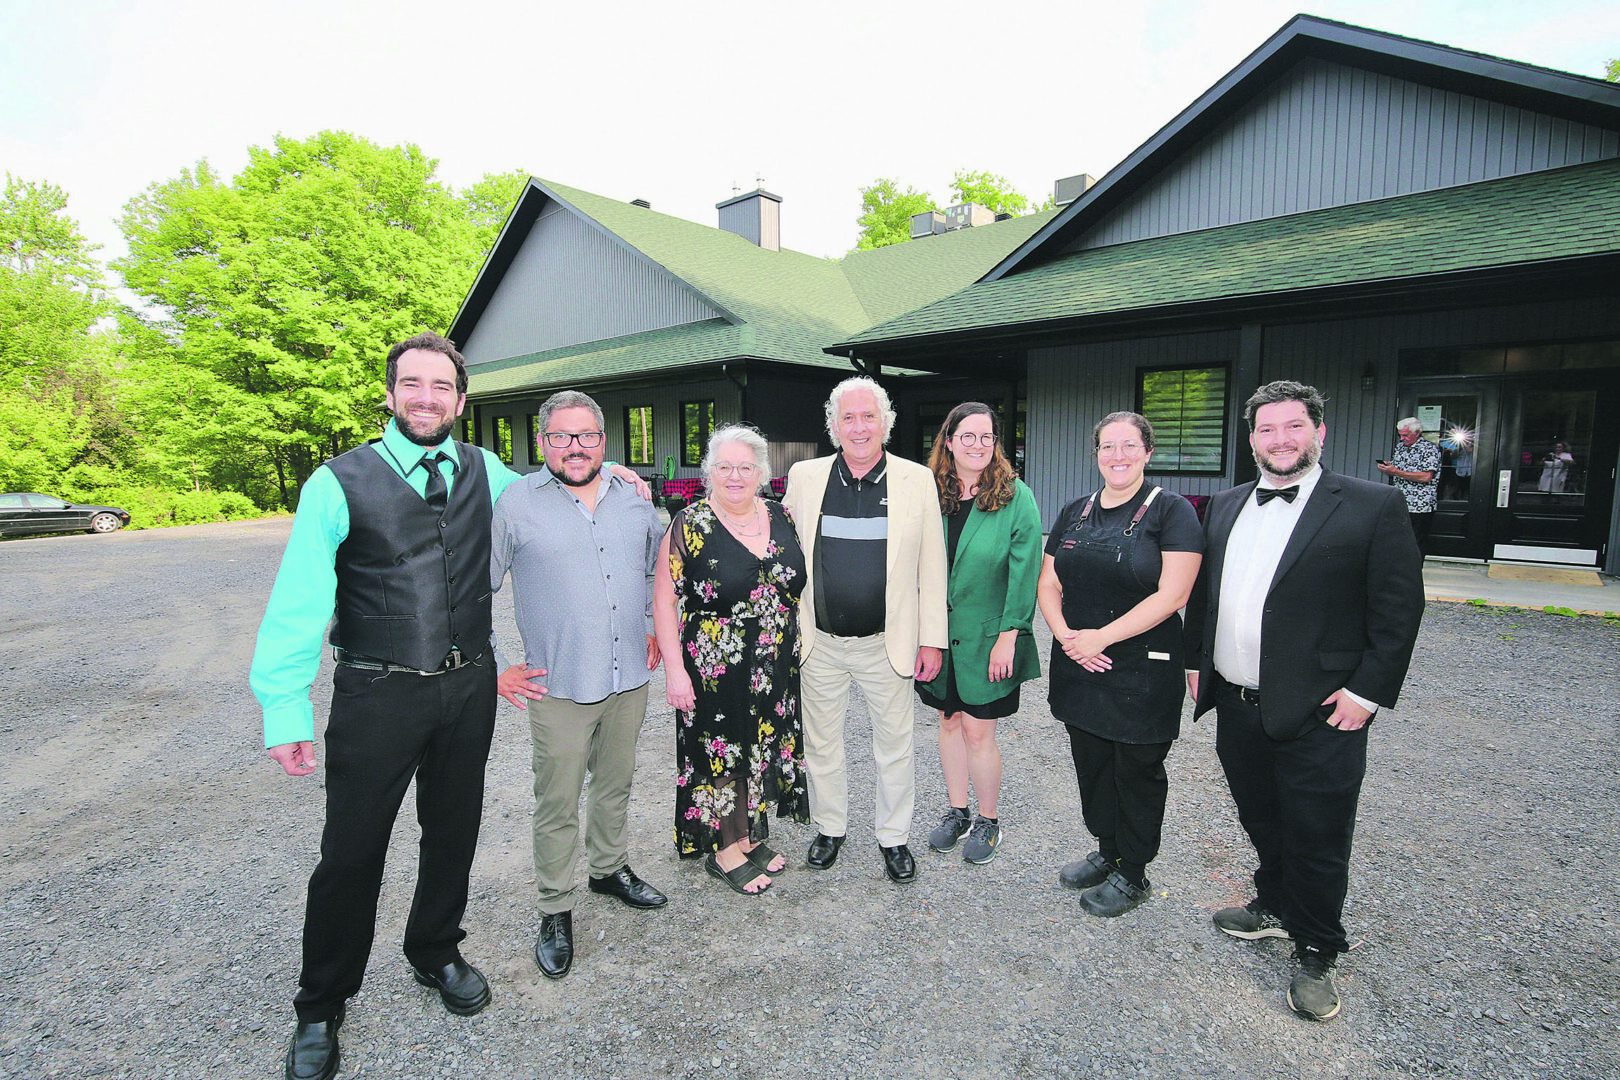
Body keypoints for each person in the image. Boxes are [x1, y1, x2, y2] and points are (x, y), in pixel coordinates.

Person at [251, 333, 503, 1080]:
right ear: (390, 394)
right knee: (351, 853)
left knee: (452, 831)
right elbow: (298, 604)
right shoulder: (338, 482)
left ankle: (435, 951)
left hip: (469, 686)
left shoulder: (488, 470)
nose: (427, 398)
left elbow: (557, 501)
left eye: (442, 387)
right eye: (412, 385)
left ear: (461, 400)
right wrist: (285, 709)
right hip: (377, 692)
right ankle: (322, 1004)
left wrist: (611, 476)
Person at [1185, 380, 1424, 1022]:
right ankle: (1276, 903)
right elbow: (1207, 595)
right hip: (1237, 702)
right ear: (1252, 438)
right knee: (1261, 816)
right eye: (1267, 429)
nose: (1280, 439)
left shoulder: (1373, 505)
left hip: (1325, 711)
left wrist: (1368, 692)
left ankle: (1318, 946)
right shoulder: (1227, 504)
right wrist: (1194, 665)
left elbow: (1399, 608)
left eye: (1294, 427)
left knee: (1318, 833)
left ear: (1321, 432)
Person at [490, 390, 668, 981]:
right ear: (542, 442)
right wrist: (495, 665)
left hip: (628, 677)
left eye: (587, 436)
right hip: (557, 683)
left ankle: (608, 868)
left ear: (603, 440)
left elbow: (656, 574)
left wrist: (652, 628)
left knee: (616, 782)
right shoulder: (515, 504)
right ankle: (555, 909)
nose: (575, 447)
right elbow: (472, 588)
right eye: (562, 436)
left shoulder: (636, 501)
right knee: (558, 800)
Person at [781, 376, 948, 884]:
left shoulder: (916, 479)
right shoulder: (804, 477)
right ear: (833, 425)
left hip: (887, 645)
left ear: (885, 423)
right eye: (848, 417)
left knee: (894, 746)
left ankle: (893, 837)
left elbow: (931, 566)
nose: (858, 426)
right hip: (820, 644)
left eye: (868, 416)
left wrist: (932, 638)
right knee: (823, 743)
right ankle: (830, 828)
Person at [1037, 411, 1202, 917]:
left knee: (1136, 770)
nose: (1118, 456)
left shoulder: (1171, 512)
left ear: (1148, 453)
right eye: (1108, 446)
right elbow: (1048, 582)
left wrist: (1100, 638)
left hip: (1141, 668)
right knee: (1092, 764)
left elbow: (1174, 593)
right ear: (1096, 454)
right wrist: (1066, 636)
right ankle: (1106, 849)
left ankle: (1133, 870)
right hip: (1078, 662)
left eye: (1129, 446)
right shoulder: (1074, 511)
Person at [652, 424, 811, 894]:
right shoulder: (690, 523)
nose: (735, 476)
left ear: (761, 472)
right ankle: (723, 851)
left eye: (745, 467)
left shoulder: (780, 516)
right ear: (709, 473)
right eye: (725, 467)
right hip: (713, 667)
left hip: (773, 665)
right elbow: (664, 599)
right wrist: (675, 671)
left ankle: (745, 834)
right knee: (720, 752)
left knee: (756, 747)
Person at [916, 403, 1041, 866]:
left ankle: (988, 819)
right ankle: (957, 811)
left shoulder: (1015, 497)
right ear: (948, 441)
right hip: (938, 636)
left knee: (977, 730)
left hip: (989, 637)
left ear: (996, 444)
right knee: (948, 722)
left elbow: (1025, 571)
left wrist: (1010, 634)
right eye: (967, 436)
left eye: (986, 437)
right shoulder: (930, 494)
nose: (977, 445)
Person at [1376, 417, 1440, 546]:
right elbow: (1399, 469)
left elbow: (1426, 476)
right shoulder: (1400, 447)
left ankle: (1415, 567)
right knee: (1398, 541)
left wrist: (1396, 472)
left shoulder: (1429, 449)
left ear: (1417, 433)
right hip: (1400, 502)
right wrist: (1390, 467)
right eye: (1400, 435)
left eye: (1405, 435)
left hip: (1420, 506)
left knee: (1416, 543)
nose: (1402, 439)